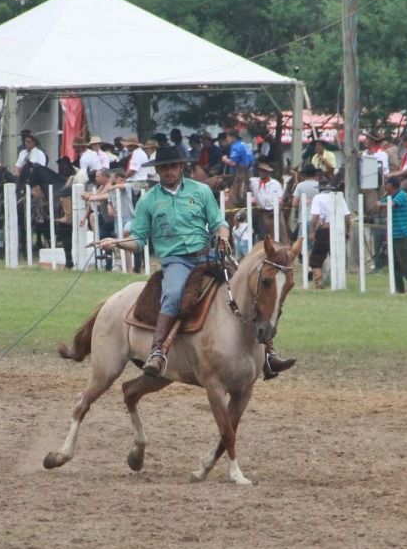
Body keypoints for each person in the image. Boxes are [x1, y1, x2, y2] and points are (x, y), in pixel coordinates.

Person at [98, 144, 293, 380]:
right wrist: (117, 243)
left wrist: (222, 237)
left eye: (172, 166)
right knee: (172, 294)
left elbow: (219, 222)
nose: (168, 171)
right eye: (163, 167)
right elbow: (138, 241)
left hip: (209, 254)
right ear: (158, 171)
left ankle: (269, 353)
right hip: (176, 261)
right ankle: (158, 352)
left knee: (248, 288)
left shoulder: (200, 191)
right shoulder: (148, 201)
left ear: (181, 166)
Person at [308, 178, 350, 286]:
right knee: (337, 255)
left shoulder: (317, 198)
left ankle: (319, 281)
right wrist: (348, 231)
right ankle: (339, 281)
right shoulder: (339, 197)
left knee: (316, 256)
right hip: (338, 229)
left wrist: (312, 231)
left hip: (324, 229)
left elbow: (316, 216)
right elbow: (347, 217)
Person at [379, 175, 407, 292]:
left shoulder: (402, 195)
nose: (385, 186)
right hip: (393, 235)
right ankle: (399, 288)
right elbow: (380, 205)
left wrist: (381, 204)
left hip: (403, 235)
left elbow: (392, 204)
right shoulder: (390, 196)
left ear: (391, 185)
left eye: (386, 184)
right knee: (395, 264)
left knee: (405, 263)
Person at [249, 162, 283, 240]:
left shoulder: (276, 184)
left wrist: (277, 208)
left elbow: (280, 198)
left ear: (268, 173)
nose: (262, 173)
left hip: (273, 211)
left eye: (264, 171)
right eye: (261, 171)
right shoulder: (254, 182)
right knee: (263, 233)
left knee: (279, 232)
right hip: (261, 211)